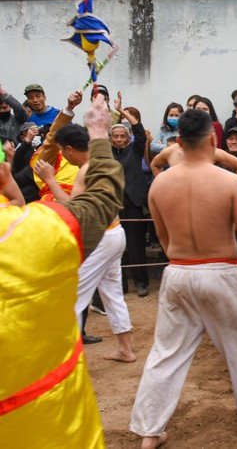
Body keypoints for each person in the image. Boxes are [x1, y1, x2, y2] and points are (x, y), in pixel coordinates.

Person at [129, 109, 237, 448]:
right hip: (221, 270)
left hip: (179, 270)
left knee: (167, 352)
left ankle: (150, 430)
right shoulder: (229, 182)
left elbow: (164, 239)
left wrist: (184, 262)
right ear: (214, 141)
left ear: (179, 142)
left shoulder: (161, 184)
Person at [0, 97, 124, 447]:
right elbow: (100, 200)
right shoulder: (26, 226)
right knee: (97, 295)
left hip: (75, 237)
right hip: (61, 239)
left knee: (98, 294)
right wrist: (93, 128)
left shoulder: (69, 168)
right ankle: (119, 343)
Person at [34, 123, 135, 363]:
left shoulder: (86, 169)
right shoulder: (106, 163)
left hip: (99, 238)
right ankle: (125, 349)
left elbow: (75, 207)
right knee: (112, 294)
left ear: (69, 149)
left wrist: (50, 179)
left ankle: (67, 359)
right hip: (115, 233)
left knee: (73, 297)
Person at [110, 94, 151, 296]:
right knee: (116, 248)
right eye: (115, 136)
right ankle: (121, 285)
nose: (118, 139)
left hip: (133, 203)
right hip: (112, 205)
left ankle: (141, 283)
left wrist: (122, 112)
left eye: (122, 136)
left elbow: (140, 133)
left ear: (127, 138)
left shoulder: (134, 150)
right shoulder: (105, 154)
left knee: (136, 245)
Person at [150, 132, 237, 178]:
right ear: (179, 138)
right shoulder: (170, 151)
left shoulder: (213, 152)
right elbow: (154, 165)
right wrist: (162, 183)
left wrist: (229, 191)